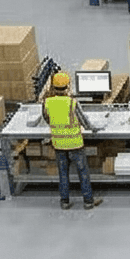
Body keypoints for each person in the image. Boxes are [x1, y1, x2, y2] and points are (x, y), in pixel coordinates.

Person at [42, 70, 97, 209]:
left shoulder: (47, 102)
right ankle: (88, 201)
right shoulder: (72, 103)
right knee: (83, 172)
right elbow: (85, 122)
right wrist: (95, 128)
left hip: (59, 144)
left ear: (53, 87)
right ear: (68, 86)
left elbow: (47, 119)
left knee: (63, 173)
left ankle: (65, 201)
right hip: (75, 143)